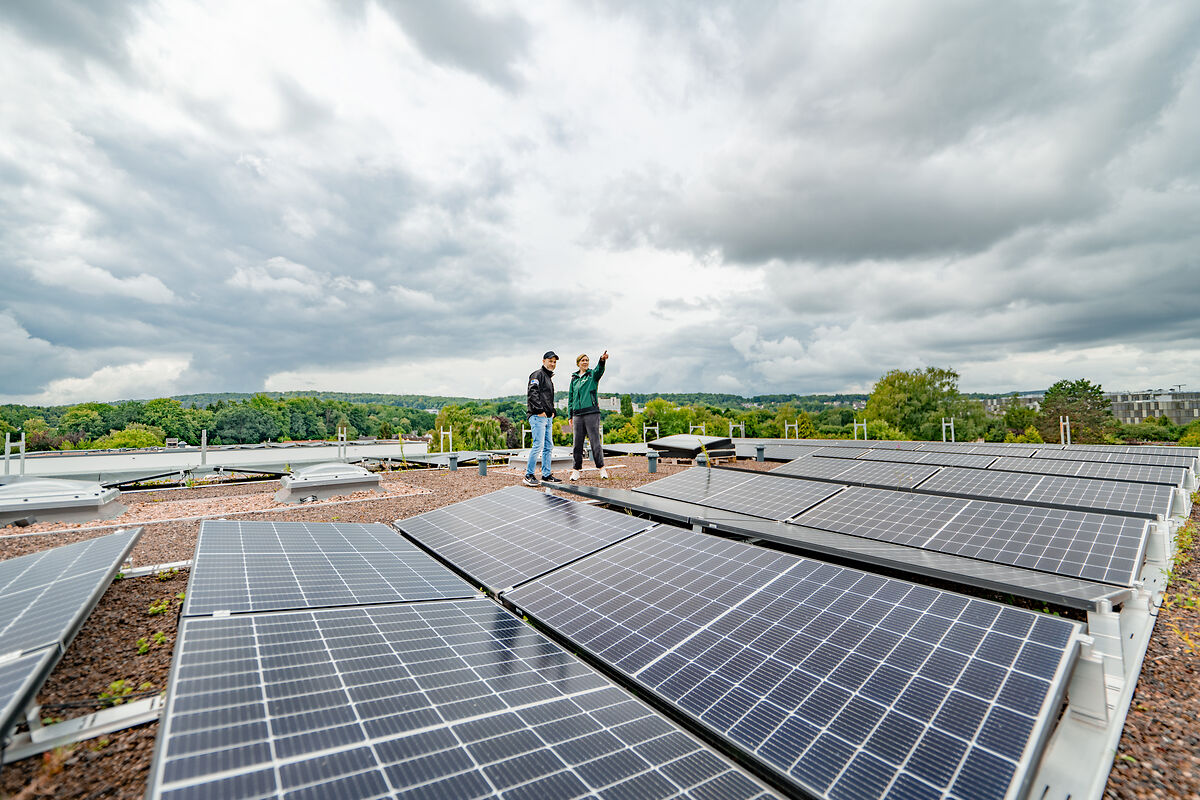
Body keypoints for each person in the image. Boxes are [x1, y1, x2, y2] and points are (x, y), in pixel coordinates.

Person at [566, 350, 609, 480]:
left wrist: (602, 360)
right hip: (577, 415)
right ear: (578, 363)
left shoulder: (592, 375)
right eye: (582, 360)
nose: (585, 362)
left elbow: (599, 370)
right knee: (577, 444)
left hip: (591, 413)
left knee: (595, 442)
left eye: (586, 360)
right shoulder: (574, 379)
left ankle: (601, 468)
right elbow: (571, 398)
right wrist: (570, 415)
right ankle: (576, 470)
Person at [524, 351, 563, 487]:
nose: (552, 364)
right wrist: (540, 410)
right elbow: (532, 393)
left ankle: (546, 475)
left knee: (548, 446)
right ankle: (529, 475)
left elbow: (547, 398)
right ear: (543, 361)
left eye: (554, 362)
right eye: (550, 361)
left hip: (547, 418)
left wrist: (552, 411)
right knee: (538, 445)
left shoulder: (548, 378)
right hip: (537, 416)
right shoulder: (537, 375)